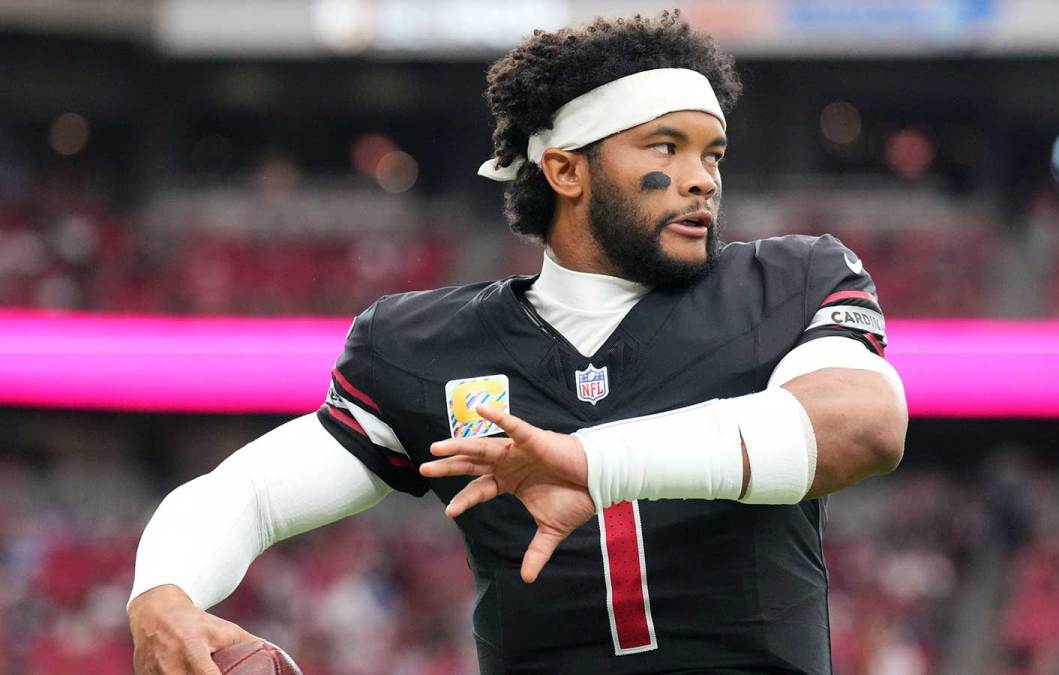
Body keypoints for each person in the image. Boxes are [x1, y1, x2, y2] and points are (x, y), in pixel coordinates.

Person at [127, 10, 907, 675]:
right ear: (566, 170)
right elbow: (252, 493)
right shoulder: (428, 345)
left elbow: (864, 425)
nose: (703, 178)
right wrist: (162, 589)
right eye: (665, 148)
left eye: (712, 153)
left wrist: (593, 460)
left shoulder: (788, 281)